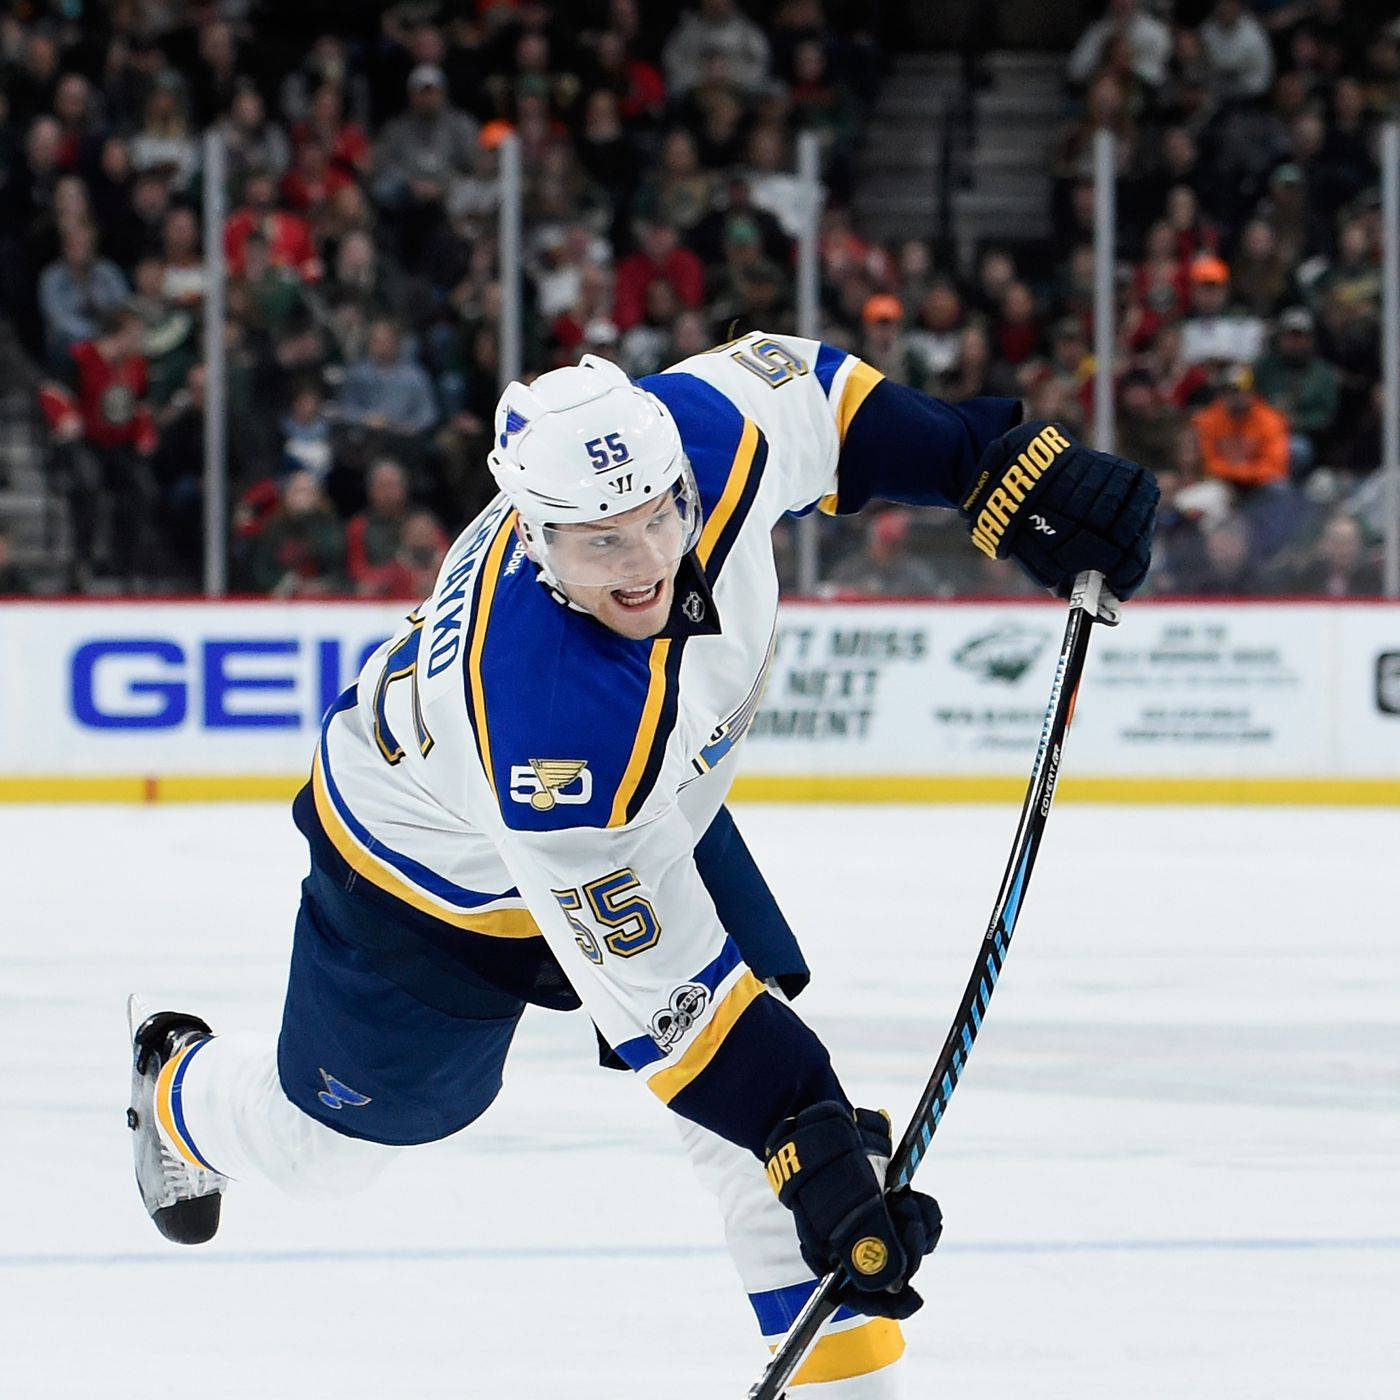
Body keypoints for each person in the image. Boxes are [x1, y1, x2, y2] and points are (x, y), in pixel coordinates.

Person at [126, 335, 1157, 1396]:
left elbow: (822, 398)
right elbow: (679, 1009)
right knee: (327, 1153)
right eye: (600, 542)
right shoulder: (548, 721)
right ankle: (179, 1093)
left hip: (645, 809)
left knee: (780, 1150)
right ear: (537, 539)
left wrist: (993, 469)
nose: (645, 561)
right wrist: (795, 1118)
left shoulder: (701, 430)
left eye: (660, 516)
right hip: (426, 881)